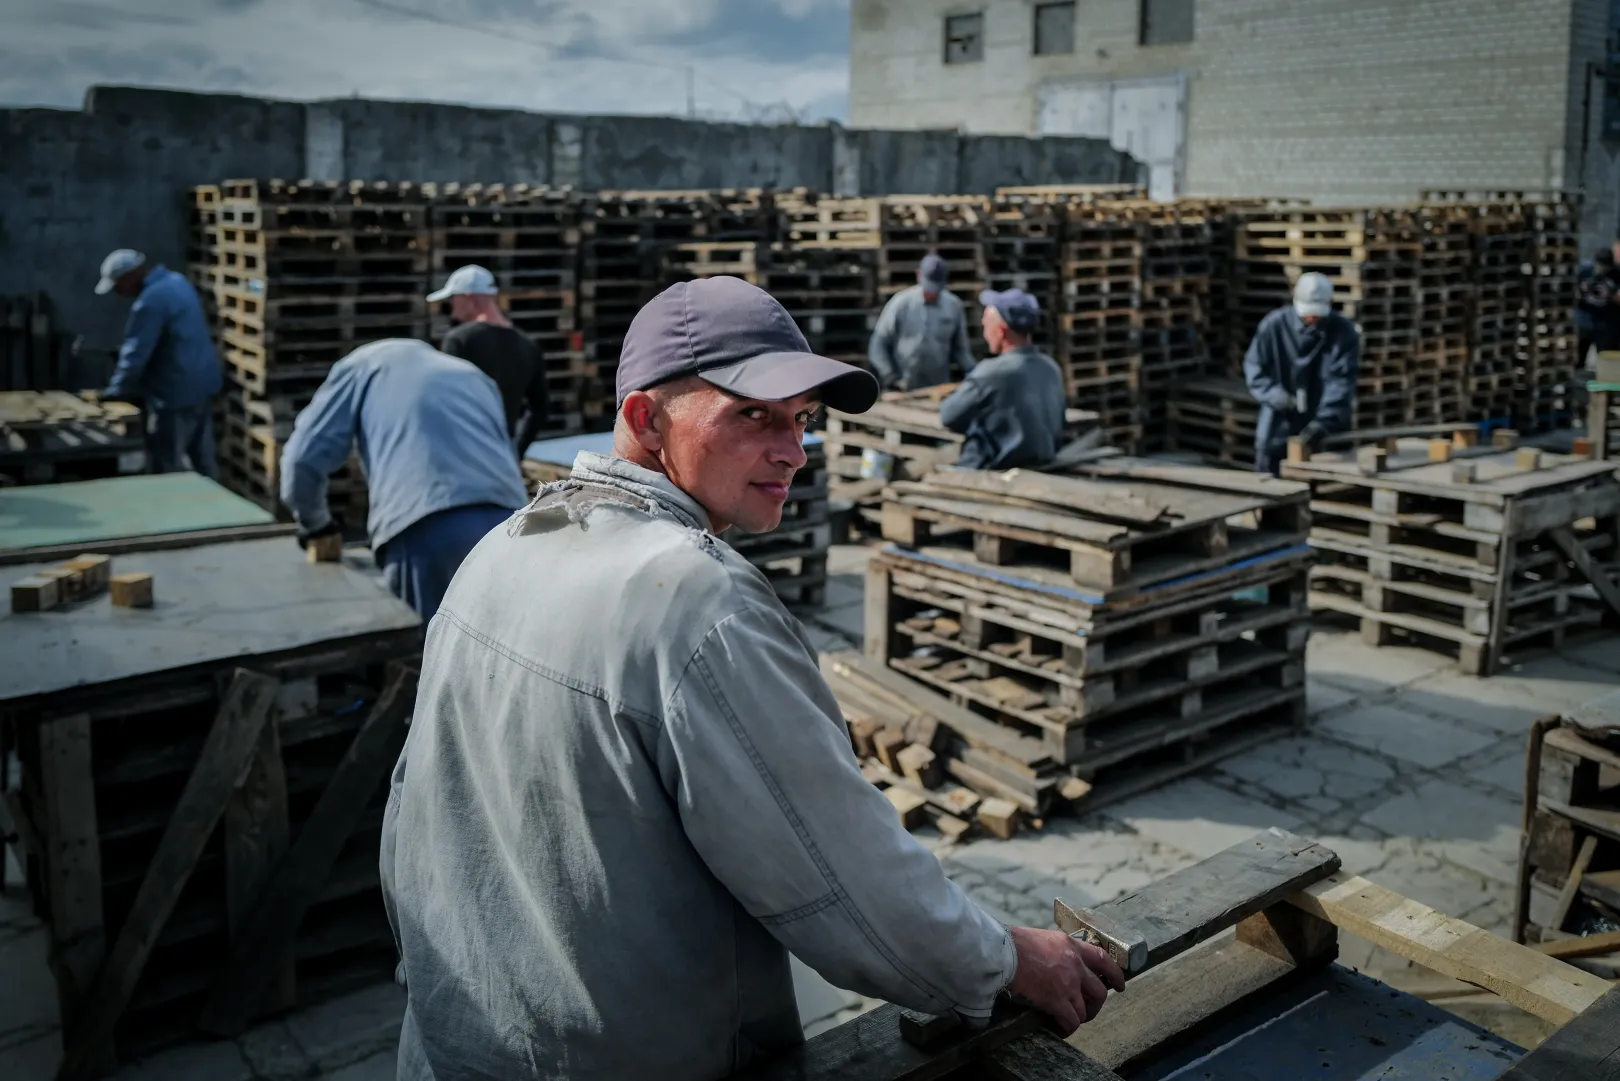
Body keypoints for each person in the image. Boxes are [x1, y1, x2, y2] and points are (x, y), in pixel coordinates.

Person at [380, 276, 1124, 1081]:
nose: (794, 450)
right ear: (645, 418)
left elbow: (407, 830)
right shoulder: (696, 599)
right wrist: (1008, 959)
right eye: (754, 414)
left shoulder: (502, 548)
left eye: (801, 420)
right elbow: (846, 882)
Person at [278, 338, 528, 621]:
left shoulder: (360, 367)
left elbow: (301, 462)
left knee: (429, 657)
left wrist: (317, 525)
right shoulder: (474, 376)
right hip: (513, 528)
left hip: (427, 530)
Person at [95, 249, 223, 477]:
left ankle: (173, 509)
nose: (117, 292)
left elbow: (135, 355)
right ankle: (220, 507)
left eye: (117, 285)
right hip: (202, 384)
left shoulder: (150, 301)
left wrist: (116, 391)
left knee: (167, 463)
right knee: (202, 458)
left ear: (129, 277)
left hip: (174, 393)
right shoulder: (177, 281)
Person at [1243, 271, 1360, 475]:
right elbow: (1255, 370)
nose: (1312, 318)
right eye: (1308, 313)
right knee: (1269, 476)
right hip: (1278, 419)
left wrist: (1325, 421)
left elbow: (1341, 380)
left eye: (1317, 313)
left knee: (1328, 482)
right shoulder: (1274, 326)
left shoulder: (1343, 332)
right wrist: (1279, 398)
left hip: (1325, 425)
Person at [938, 288, 1066, 469]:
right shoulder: (1051, 367)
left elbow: (948, 416)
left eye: (986, 324)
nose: (984, 330)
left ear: (1001, 331)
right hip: (1042, 462)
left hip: (996, 469)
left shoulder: (991, 373)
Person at [430, 264, 549, 455]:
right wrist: (515, 453)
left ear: (470, 299)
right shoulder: (528, 345)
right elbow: (539, 410)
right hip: (503, 456)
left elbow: (446, 403)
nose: (452, 309)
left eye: (453, 299)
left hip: (466, 454)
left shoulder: (460, 340)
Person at [868, 252, 975, 391]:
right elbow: (878, 344)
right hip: (903, 387)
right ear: (918, 275)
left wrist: (974, 372)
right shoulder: (900, 304)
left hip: (938, 388)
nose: (931, 293)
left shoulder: (953, 306)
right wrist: (890, 377)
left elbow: (961, 350)